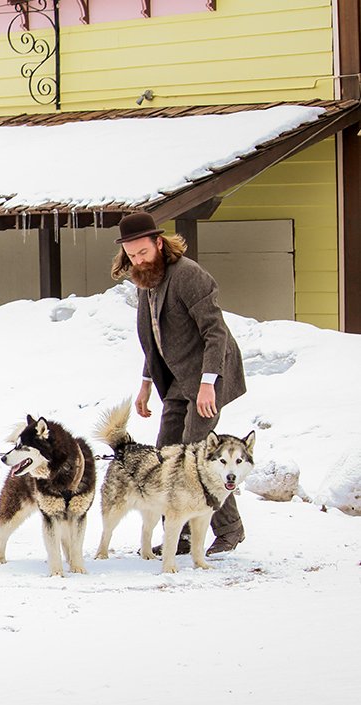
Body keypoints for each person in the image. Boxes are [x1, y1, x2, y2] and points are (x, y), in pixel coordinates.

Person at [111, 211, 247, 556]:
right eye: (131, 255)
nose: (137, 260)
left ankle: (229, 530)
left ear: (159, 242)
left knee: (198, 455)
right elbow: (157, 339)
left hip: (208, 375)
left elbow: (215, 332)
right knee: (167, 456)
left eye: (142, 252)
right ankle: (181, 533)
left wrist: (208, 385)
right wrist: (145, 384)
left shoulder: (189, 275)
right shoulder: (146, 279)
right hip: (175, 380)